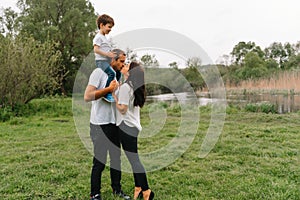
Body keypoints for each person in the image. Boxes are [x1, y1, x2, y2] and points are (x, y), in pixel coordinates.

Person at [84, 49, 131, 200]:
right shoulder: (98, 72)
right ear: (113, 59)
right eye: (121, 61)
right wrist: (108, 90)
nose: (123, 64)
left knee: (116, 159)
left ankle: (117, 189)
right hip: (99, 124)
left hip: (114, 123)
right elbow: (87, 96)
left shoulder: (116, 76)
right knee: (100, 160)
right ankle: (95, 193)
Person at [113, 62, 155, 200]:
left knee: (134, 160)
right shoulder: (132, 86)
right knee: (133, 159)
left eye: (126, 66)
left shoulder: (126, 87)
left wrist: (114, 97)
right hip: (133, 126)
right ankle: (138, 187)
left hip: (126, 126)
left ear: (130, 72)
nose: (123, 66)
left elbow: (123, 109)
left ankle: (146, 190)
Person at [93, 14, 120, 102]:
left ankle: (116, 89)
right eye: (109, 27)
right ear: (101, 25)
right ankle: (106, 93)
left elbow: (105, 49)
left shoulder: (104, 37)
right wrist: (107, 55)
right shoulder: (98, 37)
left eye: (111, 27)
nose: (110, 29)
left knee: (117, 72)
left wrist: (112, 54)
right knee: (112, 73)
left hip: (105, 61)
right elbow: (96, 50)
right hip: (100, 61)